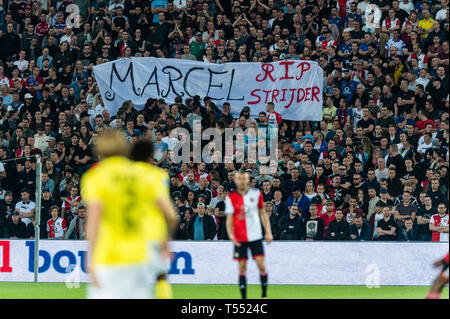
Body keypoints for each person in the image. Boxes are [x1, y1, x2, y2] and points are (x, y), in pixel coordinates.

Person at [82, 131, 172, 299]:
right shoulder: (142, 175)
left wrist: (90, 260)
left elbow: (93, 222)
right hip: (139, 255)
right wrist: (165, 243)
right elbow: (163, 213)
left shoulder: (95, 177)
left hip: (108, 256)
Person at [128, 138, 178, 299]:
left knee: (133, 278)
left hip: (130, 235)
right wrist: (168, 238)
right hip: (154, 233)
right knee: (161, 275)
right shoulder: (158, 176)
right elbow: (167, 211)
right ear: (150, 155)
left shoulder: (123, 176)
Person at [225, 171, 273, 299]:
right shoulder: (230, 198)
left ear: (248, 180)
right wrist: (231, 235)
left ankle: (264, 295)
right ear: (235, 181)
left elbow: (263, 214)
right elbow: (229, 219)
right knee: (242, 267)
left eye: (244, 179)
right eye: (239, 179)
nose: (241, 181)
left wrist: (268, 231)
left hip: (256, 236)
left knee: (261, 265)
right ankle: (244, 298)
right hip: (240, 238)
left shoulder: (256, 194)